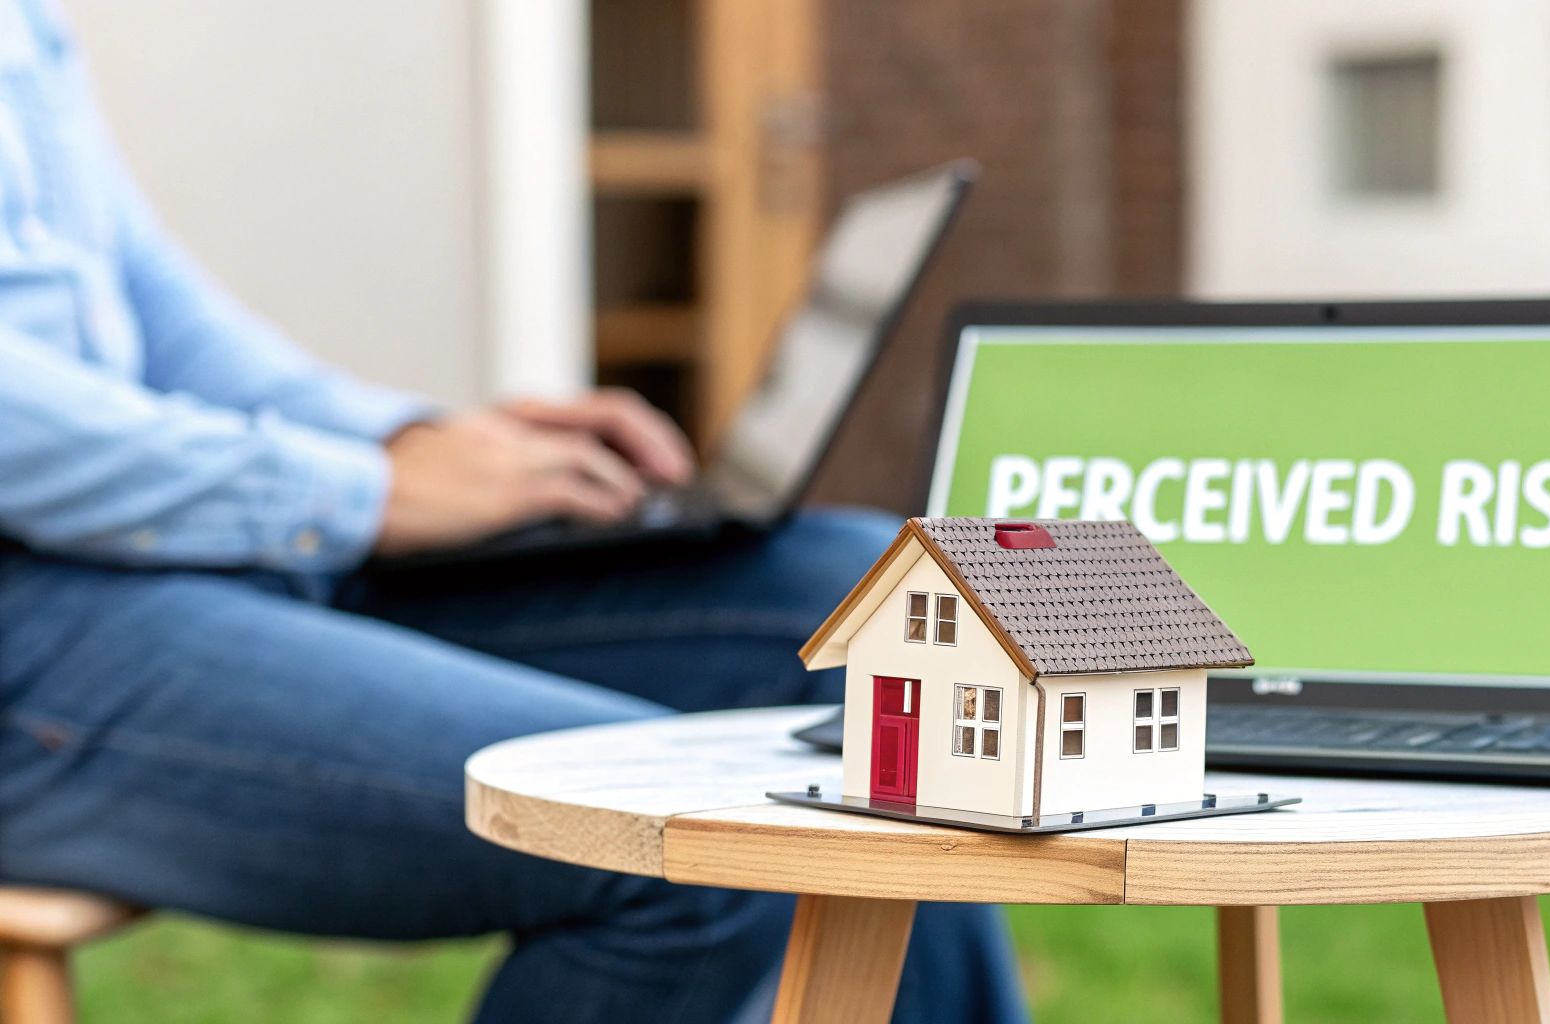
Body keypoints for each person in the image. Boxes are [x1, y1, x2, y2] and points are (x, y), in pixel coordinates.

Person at [0, 2, 1027, 1021]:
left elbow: (155, 311)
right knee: (695, 846)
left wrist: (413, 444)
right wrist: (363, 492)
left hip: (197, 550)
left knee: (881, 622)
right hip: (38, 617)